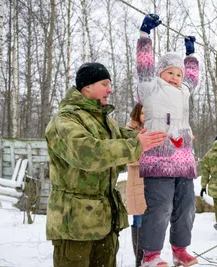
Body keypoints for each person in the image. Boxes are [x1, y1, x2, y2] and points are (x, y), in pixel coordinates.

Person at [45, 62, 167, 267]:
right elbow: (88, 154)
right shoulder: (65, 121)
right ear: (87, 87)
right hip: (75, 226)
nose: (110, 89)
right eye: (104, 83)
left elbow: (123, 138)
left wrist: (159, 136)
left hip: (106, 223)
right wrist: (136, 145)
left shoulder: (104, 121)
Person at [136, 14, 199, 267]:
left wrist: (190, 55)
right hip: (159, 158)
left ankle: (179, 248)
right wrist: (145, 36)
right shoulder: (150, 88)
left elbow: (193, 77)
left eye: (178, 73)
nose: (175, 77)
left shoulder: (184, 91)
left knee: (186, 209)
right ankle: (150, 254)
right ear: (160, 73)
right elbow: (144, 65)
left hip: (183, 159)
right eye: (169, 72)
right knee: (160, 207)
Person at [125, 103, 146, 267]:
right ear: (137, 113)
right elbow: (128, 157)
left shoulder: (156, 128)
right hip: (138, 181)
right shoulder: (130, 131)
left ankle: (151, 257)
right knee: (139, 219)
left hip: (153, 181)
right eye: (143, 113)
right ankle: (139, 260)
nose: (145, 116)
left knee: (152, 220)